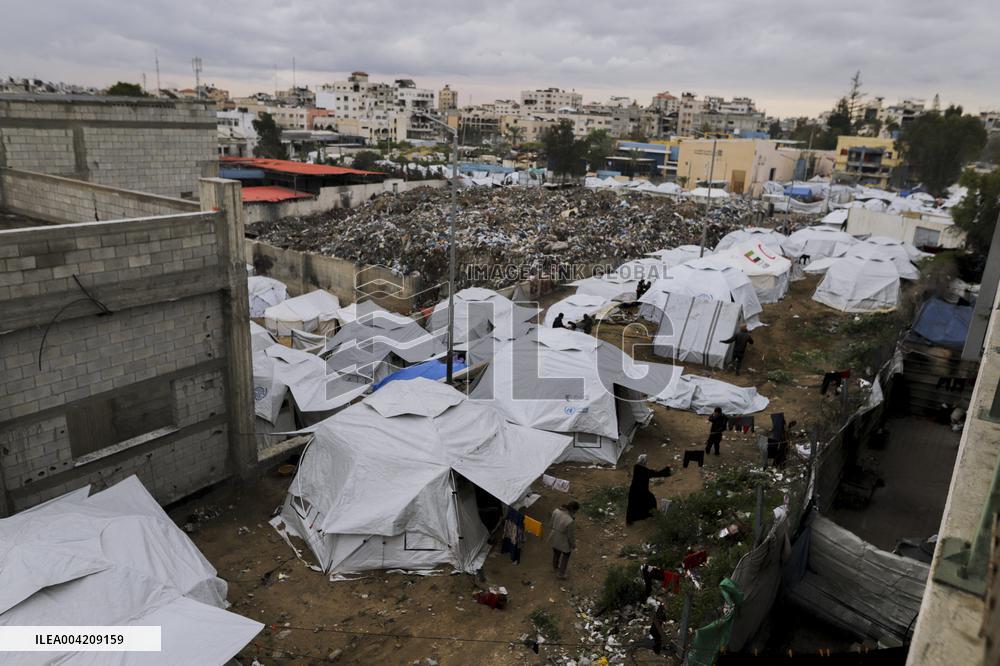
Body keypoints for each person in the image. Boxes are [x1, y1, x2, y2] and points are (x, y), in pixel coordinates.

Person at [625, 454, 672, 525]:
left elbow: (651, 473)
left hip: (634, 490)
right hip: (641, 491)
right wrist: (667, 469)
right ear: (644, 462)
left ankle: (630, 520)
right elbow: (656, 474)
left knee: (632, 505)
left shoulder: (636, 468)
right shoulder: (644, 470)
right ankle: (650, 514)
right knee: (651, 499)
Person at [548, 501, 579, 579]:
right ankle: (561, 574)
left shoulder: (556, 511)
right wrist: (573, 545)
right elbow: (570, 536)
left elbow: (550, 524)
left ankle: (555, 567)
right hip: (563, 542)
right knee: (566, 555)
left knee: (556, 553)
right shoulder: (570, 521)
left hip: (554, 537)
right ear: (573, 510)